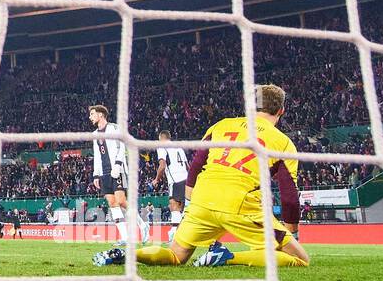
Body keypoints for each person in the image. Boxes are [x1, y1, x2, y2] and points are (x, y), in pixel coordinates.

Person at [93, 84, 309, 269]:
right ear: (281, 110)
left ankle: (128, 254)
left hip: (202, 199)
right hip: (241, 203)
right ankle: (229, 258)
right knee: (299, 258)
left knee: (176, 255)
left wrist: (190, 203)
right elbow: (288, 195)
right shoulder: (283, 143)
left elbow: (196, 165)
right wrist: (292, 233)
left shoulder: (222, 125)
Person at [88, 105, 148, 245]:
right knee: (113, 204)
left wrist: (118, 164)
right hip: (104, 172)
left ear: (101, 114)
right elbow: (97, 155)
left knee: (121, 201)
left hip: (118, 170)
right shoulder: (95, 134)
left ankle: (143, 225)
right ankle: (125, 237)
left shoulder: (114, 128)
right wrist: (96, 175)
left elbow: (122, 147)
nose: (90, 117)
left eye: (92, 114)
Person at [153, 130, 190, 243]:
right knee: (182, 209)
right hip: (186, 179)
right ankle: (180, 234)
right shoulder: (179, 148)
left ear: (161, 139)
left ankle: (174, 234)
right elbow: (187, 166)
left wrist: (156, 179)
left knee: (174, 206)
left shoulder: (162, 146)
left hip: (176, 180)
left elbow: (162, 165)